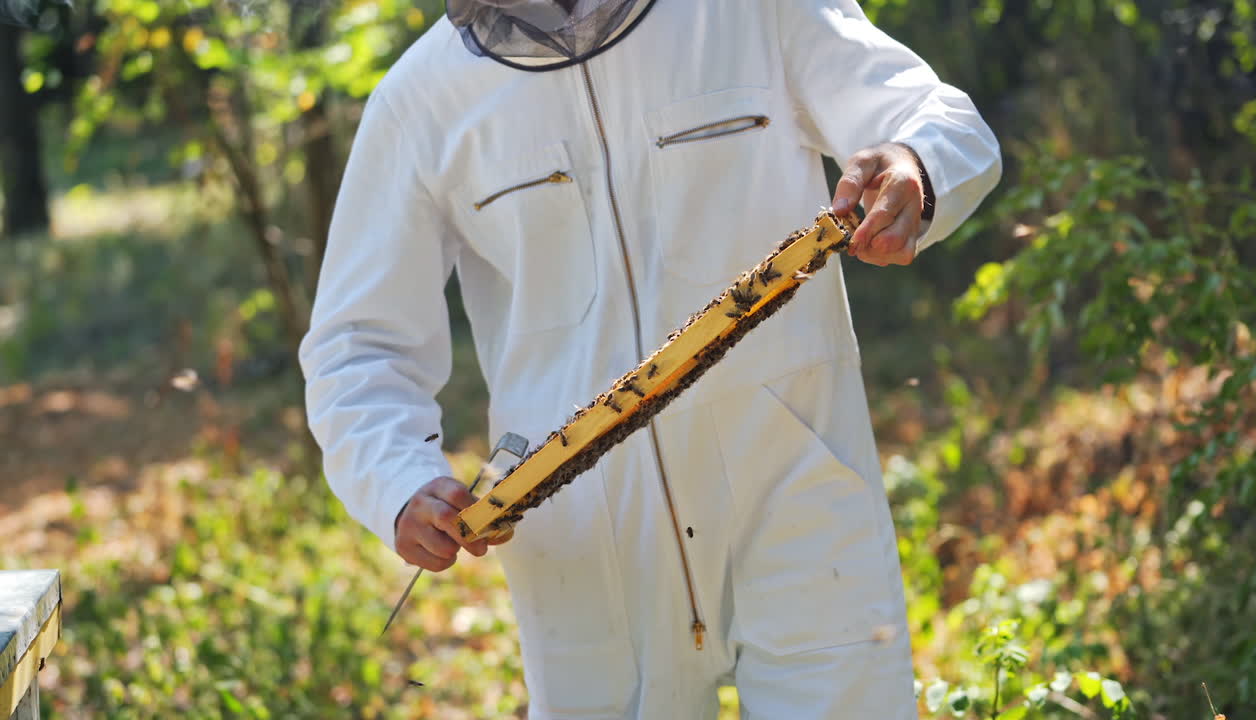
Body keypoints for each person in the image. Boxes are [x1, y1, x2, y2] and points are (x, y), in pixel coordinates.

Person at [299, 1, 1001, 717]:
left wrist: (917, 164)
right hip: (580, 533)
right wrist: (398, 482)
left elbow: (937, 119)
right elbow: (357, 345)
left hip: (792, 479)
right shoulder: (420, 97)